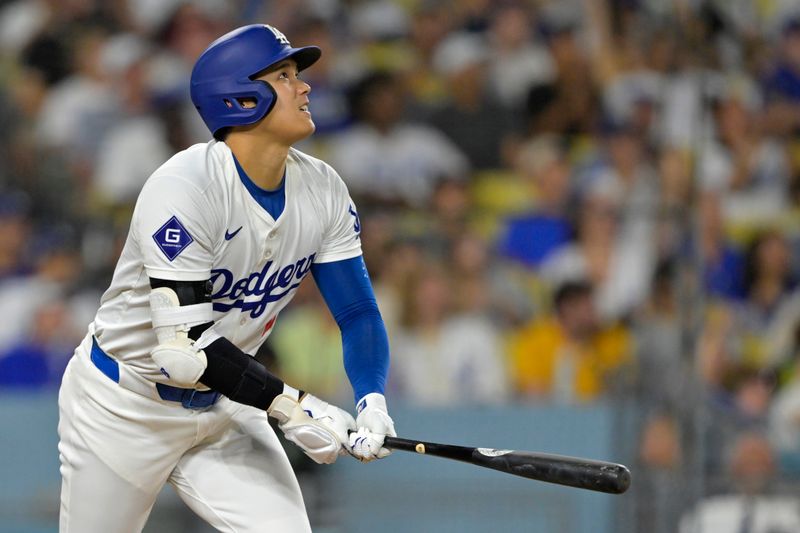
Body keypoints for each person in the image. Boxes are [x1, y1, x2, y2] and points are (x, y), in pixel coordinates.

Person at [57, 24, 396, 532]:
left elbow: (357, 313)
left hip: (226, 407)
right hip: (122, 406)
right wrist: (296, 407)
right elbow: (186, 348)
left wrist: (371, 399)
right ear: (240, 99)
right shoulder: (184, 185)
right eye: (284, 76)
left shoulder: (323, 187)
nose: (304, 87)